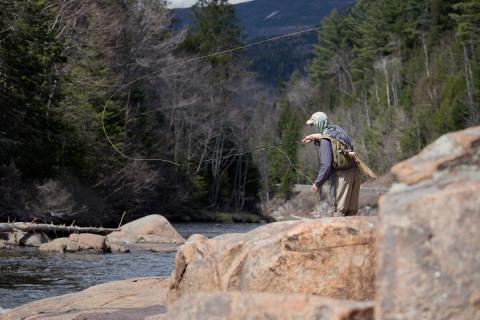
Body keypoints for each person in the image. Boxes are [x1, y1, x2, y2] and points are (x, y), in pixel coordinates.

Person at [302, 112, 360, 217]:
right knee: (351, 214)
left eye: (314, 124)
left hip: (343, 178)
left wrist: (317, 184)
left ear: (319, 124)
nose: (314, 126)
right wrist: (313, 137)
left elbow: (327, 165)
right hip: (355, 172)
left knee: (338, 213)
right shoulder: (338, 129)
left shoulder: (325, 141)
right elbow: (332, 139)